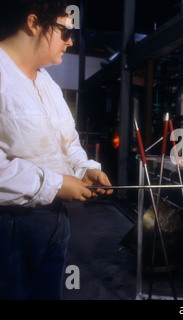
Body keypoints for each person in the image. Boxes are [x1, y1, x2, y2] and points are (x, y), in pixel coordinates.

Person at [0, 0, 113, 300]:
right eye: (64, 32)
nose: (71, 41)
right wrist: (55, 183)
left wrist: (84, 169)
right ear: (34, 23)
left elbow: (68, 143)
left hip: (53, 221)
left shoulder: (48, 84)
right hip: (10, 228)